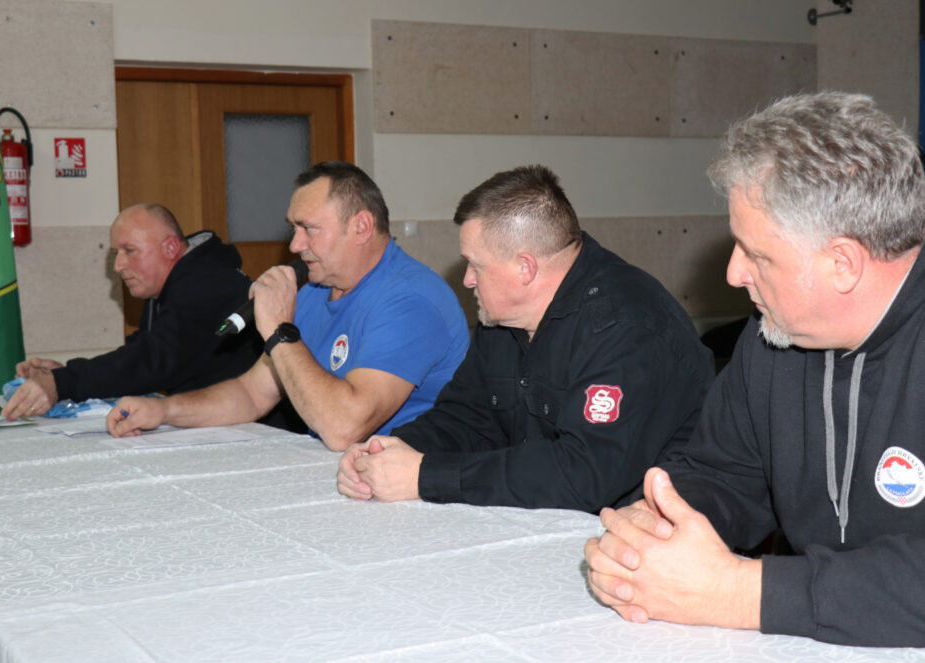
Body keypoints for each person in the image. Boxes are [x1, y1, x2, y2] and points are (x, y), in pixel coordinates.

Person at [585, 92, 925, 647]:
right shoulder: (774, 336)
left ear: (842, 263)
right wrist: (656, 531)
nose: (734, 272)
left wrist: (739, 592)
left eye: (757, 254)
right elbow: (724, 473)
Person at [337, 165, 713, 512]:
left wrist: (426, 476)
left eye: (475, 265)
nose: (467, 279)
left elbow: (583, 474)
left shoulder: (625, 327)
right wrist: (387, 452)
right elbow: (466, 416)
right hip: (550, 524)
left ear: (525, 268)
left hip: (654, 535)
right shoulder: (503, 317)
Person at [106, 161, 469, 451]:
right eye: (293, 228)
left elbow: (344, 429)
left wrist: (280, 332)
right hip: (344, 473)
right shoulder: (314, 291)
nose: (295, 245)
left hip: (408, 488)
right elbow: (251, 395)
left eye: (309, 228)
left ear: (361, 227)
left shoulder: (410, 299)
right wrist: (164, 410)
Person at [2, 203, 263, 420]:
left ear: (170, 248)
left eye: (130, 251)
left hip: (255, 430)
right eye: (117, 252)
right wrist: (63, 374)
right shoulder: (169, 283)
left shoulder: (205, 285)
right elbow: (138, 358)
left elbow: (151, 361)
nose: (118, 265)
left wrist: (63, 382)